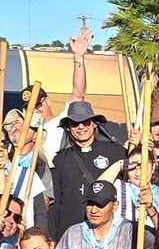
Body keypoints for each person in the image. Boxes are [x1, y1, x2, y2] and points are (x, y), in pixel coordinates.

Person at [46, 94, 128, 239]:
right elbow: (54, 205)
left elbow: (132, 184)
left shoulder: (116, 152)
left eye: (86, 122)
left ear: (95, 123)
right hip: (69, 232)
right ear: (68, 128)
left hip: (107, 233)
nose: (81, 127)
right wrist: (51, 238)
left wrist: (139, 144)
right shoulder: (59, 160)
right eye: (75, 123)